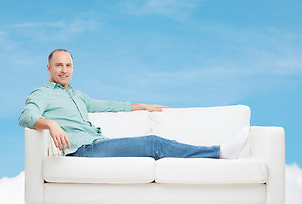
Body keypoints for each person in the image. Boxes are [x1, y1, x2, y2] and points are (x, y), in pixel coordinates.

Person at [19, 49, 249, 159]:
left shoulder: (77, 95)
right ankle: (218, 152)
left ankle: (216, 153)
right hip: (82, 151)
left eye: (68, 65)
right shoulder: (42, 94)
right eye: (59, 65)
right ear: (49, 68)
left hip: (97, 144)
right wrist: (50, 124)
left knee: (152, 145)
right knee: (153, 144)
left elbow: (109, 105)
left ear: (73, 68)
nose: (64, 70)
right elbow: (26, 117)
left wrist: (145, 107)